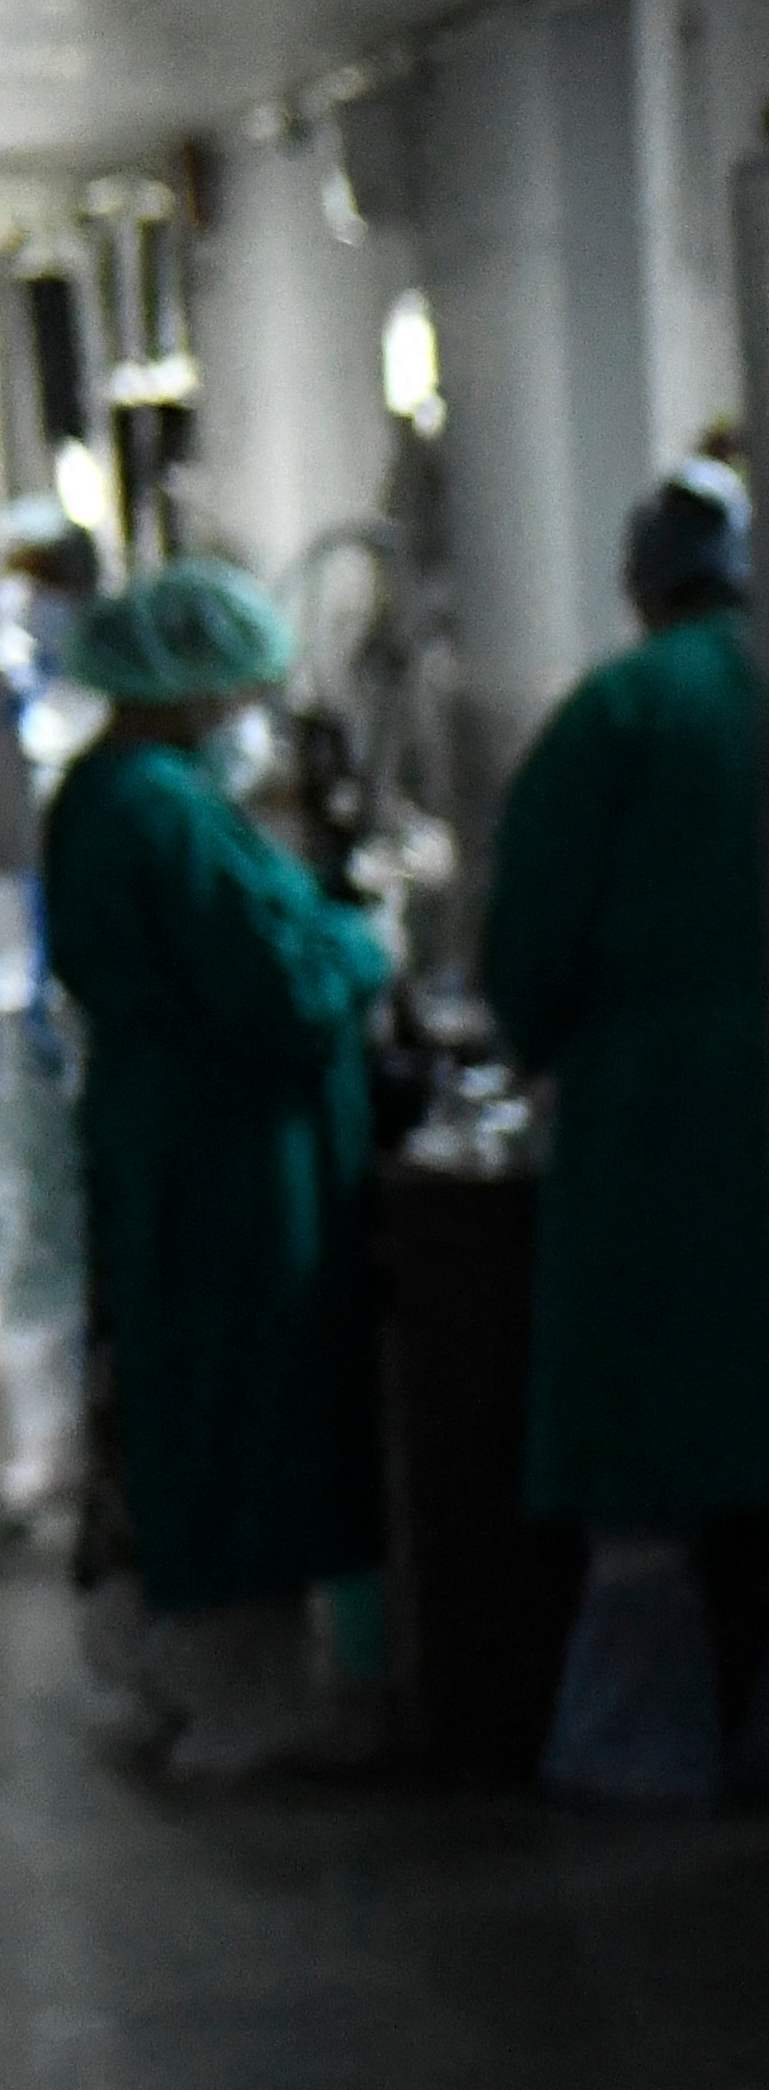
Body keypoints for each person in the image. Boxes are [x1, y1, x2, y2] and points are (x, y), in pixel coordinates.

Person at [44, 556, 389, 1782]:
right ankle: (246, 1697)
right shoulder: (165, 811)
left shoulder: (101, 796)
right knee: (247, 1403)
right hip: (231, 1158)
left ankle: (182, 1668)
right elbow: (278, 981)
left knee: (178, 1396)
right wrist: (366, 940)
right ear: (197, 683)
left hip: (166, 1144)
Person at [480, 462, 769, 1806]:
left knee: (651, 1451)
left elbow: (529, 944)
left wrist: (533, 1036)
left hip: (651, 1122)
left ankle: (646, 1752)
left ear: (638, 580)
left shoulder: (613, 716)